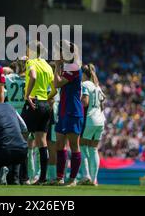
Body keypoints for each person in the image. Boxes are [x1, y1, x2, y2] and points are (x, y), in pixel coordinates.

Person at [21, 41, 56, 185]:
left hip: (33, 102)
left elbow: (33, 76)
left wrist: (28, 95)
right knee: (42, 142)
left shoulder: (31, 62)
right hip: (45, 105)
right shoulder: (48, 66)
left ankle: (24, 177)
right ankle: (42, 178)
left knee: (22, 138)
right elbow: (54, 90)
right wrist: (45, 101)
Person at [53, 40, 83, 186]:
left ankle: (72, 179)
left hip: (73, 110)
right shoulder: (67, 67)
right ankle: (60, 178)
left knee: (74, 145)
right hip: (64, 110)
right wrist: (59, 67)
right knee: (60, 144)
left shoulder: (74, 68)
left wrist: (57, 66)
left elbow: (57, 83)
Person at [78, 64, 106, 186]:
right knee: (94, 149)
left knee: (83, 147)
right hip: (100, 120)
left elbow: (85, 102)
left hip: (90, 119)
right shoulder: (97, 86)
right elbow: (103, 102)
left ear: (84, 74)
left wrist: (76, 100)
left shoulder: (85, 85)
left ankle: (86, 176)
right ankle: (94, 180)